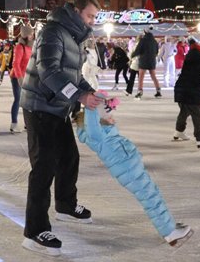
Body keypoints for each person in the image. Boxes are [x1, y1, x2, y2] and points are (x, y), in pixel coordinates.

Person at [20, 0, 103, 256]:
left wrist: (91, 93)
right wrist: (79, 96)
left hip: (59, 107)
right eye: (90, 16)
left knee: (69, 157)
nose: (92, 22)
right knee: (44, 166)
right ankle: (34, 231)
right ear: (76, 11)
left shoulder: (75, 37)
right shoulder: (53, 32)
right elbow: (49, 72)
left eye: (94, 18)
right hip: (40, 106)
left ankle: (65, 204)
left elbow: (74, 76)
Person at [75, 94, 193, 247]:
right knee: (151, 198)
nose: (112, 117)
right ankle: (169, 232)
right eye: (108, 115)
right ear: (96, 119)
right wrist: (92, 105)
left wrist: (104, 102)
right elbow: (93, 121)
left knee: (153, 195)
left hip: (132, 168)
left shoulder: (107, 131)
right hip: (128, 172)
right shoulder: (97, 136)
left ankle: (168, 225)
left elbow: (106, 110)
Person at [9, 25, 33, 133]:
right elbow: (16, 63)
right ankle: (13, 124)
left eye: (32, 33)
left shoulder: (30, 47)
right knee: (18, 99)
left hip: (27, 77)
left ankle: (27, 124)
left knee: (27, 101)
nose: (32, 35)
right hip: (17, 77)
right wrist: (19, 78)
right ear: (25, 35)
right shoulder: (20, 47)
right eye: (30, 34)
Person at [132, 26, 162, 99]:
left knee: (141, 76)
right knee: (153, 76)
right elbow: (157, 51)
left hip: (144, 60)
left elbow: (138, 50)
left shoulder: (143, 40)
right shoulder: (154, 41)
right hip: (152, 61)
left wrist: (133, 55)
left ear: (145, 32)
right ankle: (158, 91)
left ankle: (140, 92)